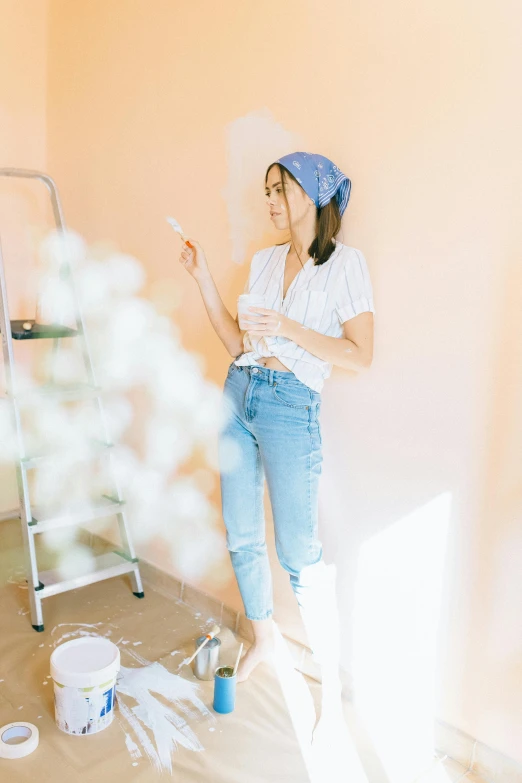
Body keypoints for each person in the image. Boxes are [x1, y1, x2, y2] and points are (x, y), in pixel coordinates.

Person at [178, 152, 375, 701]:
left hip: (292, 407)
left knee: (298, 553)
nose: (268, 202)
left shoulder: (345, 264)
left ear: (310, 195)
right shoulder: (265, 262)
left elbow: (361, 356)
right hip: (239, 395)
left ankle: (330, 679)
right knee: (241, 534)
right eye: (266, 192)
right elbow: (240, 344)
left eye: (277, 191)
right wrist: (204, 279)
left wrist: (287, 327)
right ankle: (265, 639)